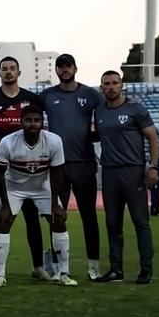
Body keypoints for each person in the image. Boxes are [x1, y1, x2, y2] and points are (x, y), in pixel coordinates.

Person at [0, 105, 77, 287]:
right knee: (3, 221)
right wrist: (5, 205)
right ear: (21, 122)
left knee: (58, 220)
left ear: (42, 123)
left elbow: (56, 174)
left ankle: (63, 273)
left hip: (41, 185)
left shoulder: (54, 141)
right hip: (14, 186)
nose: (33, 124)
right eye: (28, 120)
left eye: (37, 120)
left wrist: (55, 204)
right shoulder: (8, 142)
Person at [0, 57, 47, 281]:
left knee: (31, 216)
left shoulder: (31, 98)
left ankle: (38, 266)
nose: (8, 72)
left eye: (12, 69)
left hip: (26, 167)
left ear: (19, 72)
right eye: (4, 69)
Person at [40, 53, 103, 280]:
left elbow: (108, 113)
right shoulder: (47, 95)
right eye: (61, 67)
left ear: (75, 68)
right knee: (56, 216)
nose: (65, 70)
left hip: (84, 164)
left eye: (68, 66)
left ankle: (93, 267)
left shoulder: (90, 94)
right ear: (56, 71)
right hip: (57, 166)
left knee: (89, 217)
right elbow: (30, 118)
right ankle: (56, 267)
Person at [93, 70, 159, 285]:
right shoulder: (99, 110)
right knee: (112, 223)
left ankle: (146, 269)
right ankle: (115, 269)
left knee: (141, 222)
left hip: (133, 172)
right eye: (107, 83)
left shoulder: (136, 108)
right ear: (101, 87)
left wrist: (152, 166)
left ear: (122, 85)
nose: (111, 87)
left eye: (115, 83)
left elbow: (153, 137)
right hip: (110, 172)